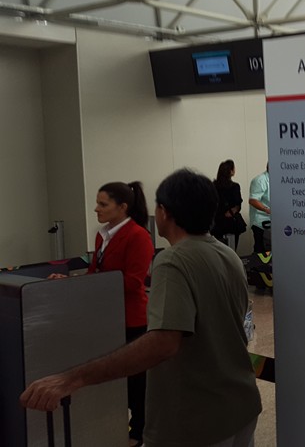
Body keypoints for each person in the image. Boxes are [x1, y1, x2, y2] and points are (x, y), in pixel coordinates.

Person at [21, 169, 262, 447]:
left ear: (164, 212)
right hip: (240, 407)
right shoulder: (229, 255)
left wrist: (72, 379)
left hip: (197, 420)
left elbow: (163, 343)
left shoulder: (173, 259)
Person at [65, 181, 154, 447]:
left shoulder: (138, 236)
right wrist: (73, 282)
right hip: (106, 317)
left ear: (122, 207)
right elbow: (96, 271)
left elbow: (133, 282)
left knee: (136, 381)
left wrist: (96, 283)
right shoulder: (102, 235)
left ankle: (139, 431)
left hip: (132, 319)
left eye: (103, 204)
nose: (96, 209)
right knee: (112, 376)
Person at [212, 159, 246, 250]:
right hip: (231, 223)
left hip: (217, 222)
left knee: (218, 250)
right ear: (231, 171)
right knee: (231, 250)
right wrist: (231, 212)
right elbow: (238, 204)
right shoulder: (234, 186)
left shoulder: (213, 186)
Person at [249, 164, 271, 254]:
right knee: (260, 251)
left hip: (273, 222)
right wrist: (267, 209)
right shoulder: (260, 180)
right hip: (261, 223)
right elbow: (253, 200)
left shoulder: (278, 180)